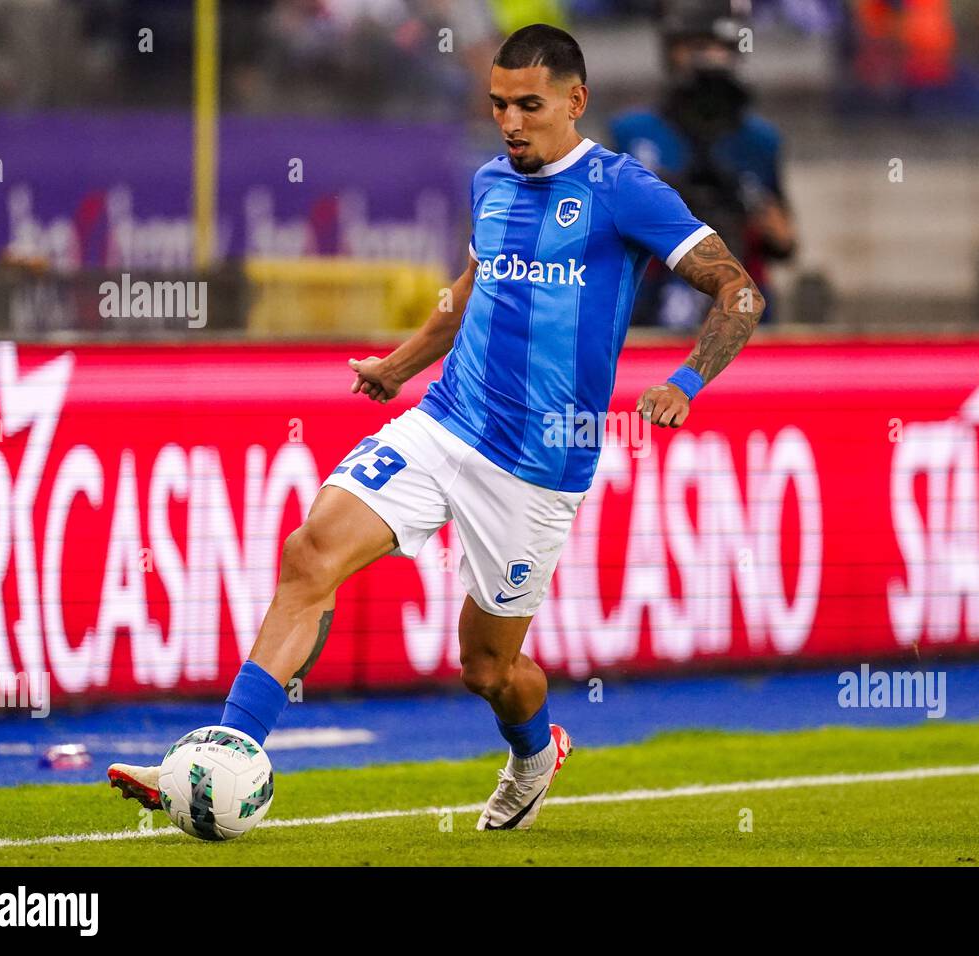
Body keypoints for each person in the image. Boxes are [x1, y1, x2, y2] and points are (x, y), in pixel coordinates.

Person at [108, 22, 765, 832]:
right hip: (445, 422)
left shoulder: (624, 189)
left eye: (530, 105)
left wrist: (685, 381)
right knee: (311, 550)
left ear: (575, 100)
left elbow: (738, 291)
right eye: (498, 105)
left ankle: (534, 752)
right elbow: (472, 288)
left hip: (537, 469)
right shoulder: (490, 182)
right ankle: (226, 751)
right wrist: (399, 364)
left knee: (488, 669)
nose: (512, 123)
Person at [609, 0, 795, 329]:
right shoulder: (633, 133)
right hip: (650, 293)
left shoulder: (759, 140)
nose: (709, 58)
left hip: (738, 290)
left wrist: (749, 205)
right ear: (671, 49)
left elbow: (784, 241)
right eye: (697, 46)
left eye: (720, 47)